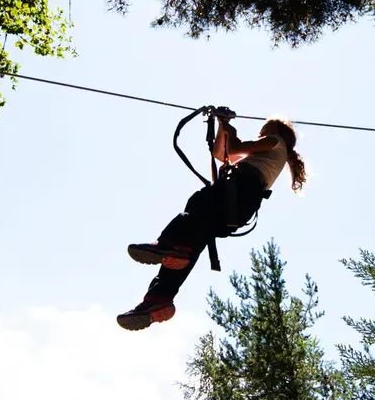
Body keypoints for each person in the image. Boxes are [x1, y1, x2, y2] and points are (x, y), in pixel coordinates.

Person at [118, 111, 307, 330]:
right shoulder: (264, 155)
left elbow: (234, 148)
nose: (260, 133)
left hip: (238, 192)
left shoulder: (276, 142)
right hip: (238, 205)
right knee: (190, 244)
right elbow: (221, 153)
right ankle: (158, 299)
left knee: (196, 206)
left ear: (274, 133)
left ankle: (167, 245)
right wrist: (221, 126)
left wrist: (230, 129)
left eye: (263, 130)